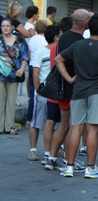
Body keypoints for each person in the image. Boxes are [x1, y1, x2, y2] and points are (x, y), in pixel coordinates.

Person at [55, 13, 98, 178]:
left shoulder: (77, 45)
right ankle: (90, 168)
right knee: (92, 131)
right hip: (97, 90)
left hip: (78, 90)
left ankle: (69, 166)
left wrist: (69, 78)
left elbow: (58, 59)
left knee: (75, 128)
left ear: (88, 27)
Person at [45, 9, 90, 171]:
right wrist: (71, 78)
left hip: (61, 87)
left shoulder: (62, 38)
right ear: (85, 23)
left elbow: (58, 61)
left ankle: (51, 158)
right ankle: (69, 159)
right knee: (74, 126)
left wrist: (65, 78)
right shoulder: (81, 41)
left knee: (63, 125)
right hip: (75, 88)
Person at [28, 25, 60, 161]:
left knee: (53, 122)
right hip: (43, 92)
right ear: (55, 37)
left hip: (55, 93)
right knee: (36, 122)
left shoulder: (60, 52)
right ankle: (33, 150)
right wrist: (38, 91)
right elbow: (35, 74)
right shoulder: (41, 52)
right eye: (59, 34)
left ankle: (55, 148)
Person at [0, 18, 28, 135]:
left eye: (7, 26)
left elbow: (24, 57)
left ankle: (10, 126)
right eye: (3, 26)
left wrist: (21, 69)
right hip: (0, 75)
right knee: (0, 101)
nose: (5, 28)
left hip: (14, 75)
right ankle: (0, 127)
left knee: (11, 102)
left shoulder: (19, 40)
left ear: (12, 27)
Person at [26, 20, 48, 128]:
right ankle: (39, 118)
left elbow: (29, 53)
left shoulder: (32, 39)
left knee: (32, 92)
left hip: (31, 65)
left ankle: (29, 118)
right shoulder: (44, 40)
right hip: (40, 66)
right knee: (38, 91)